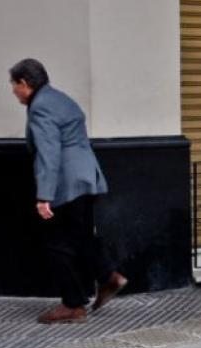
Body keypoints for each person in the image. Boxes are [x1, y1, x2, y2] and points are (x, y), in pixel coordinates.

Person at [9, 58, 127, 323]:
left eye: (14, 86)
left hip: (66, 182)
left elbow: (49, 153)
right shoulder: (60, 99)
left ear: (24, 83)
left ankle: (73, 305)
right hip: (87, 176)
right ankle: (109, 276)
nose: (14, 91)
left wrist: (44, 196)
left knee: (56, 244)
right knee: (81, 235)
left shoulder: (39, 107)